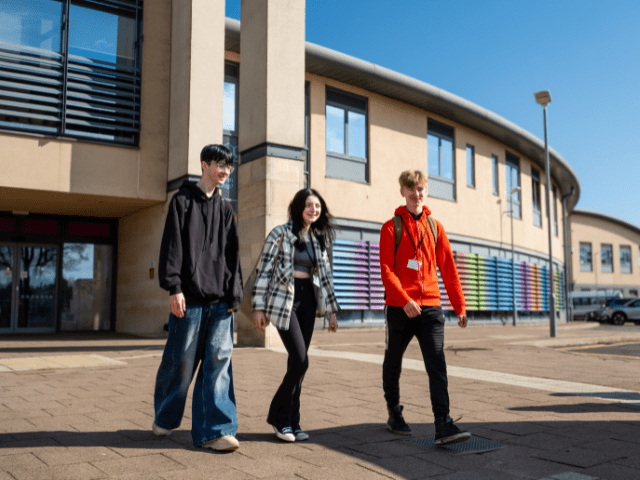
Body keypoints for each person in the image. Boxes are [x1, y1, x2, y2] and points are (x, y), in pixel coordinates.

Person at [153, 144, 243, 452]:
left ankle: (216, 431)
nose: (225, 171)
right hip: (188, 300)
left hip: (220, 302)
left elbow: (233, 256)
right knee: (181, 363)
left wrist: (235, 293)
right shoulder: (182, 201)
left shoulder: (227, 208)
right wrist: (174, 287)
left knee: (218, 364)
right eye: (220, 165)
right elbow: (172, 246)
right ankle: (165, 417)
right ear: (204, 164)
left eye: (229, 167)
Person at [379, 170, 471, 446]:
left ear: (425, 191)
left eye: (421, 189)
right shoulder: (390, 227)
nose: (416, 194)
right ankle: (394, 412)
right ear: (403, 192)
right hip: (399, 308)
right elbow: (386, 270)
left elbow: (449, 269)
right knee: (393, 362)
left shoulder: (435, 227)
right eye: (411, 189)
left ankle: (443, 423)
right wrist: (404, 299)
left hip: (430, 308)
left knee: (437, 364)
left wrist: (460, 305)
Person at [252, 188, 340, 442]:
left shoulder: (318, 239)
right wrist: (258, 307)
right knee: (301, 360)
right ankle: (278, 416)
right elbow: (263, 271)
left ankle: (293, 421)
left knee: (296, 365)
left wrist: (332, 312)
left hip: (308, 302)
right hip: (284, 302)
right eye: (309, 205)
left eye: (318, 207)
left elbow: (326, 278)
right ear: (299, 207)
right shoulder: (279, 234)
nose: (314, 210)